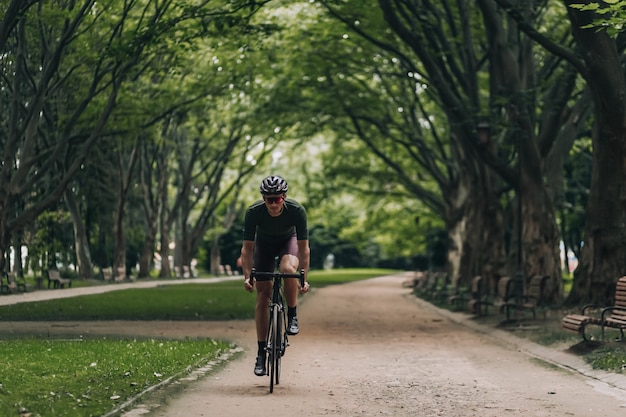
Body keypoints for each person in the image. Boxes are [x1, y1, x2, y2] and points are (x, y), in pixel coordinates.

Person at [241, 175, 310, 376]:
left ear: (284, 197)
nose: (273, 204)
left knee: (288, 269)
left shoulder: (296, 211)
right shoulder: (254, 212)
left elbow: (304, 249)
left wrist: (304, 278)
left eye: (277, 199)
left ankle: (293, 315)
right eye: (269, 199)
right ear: (263, 199)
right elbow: (247, 250)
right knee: (263, 295)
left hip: (289, 241)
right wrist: (247, 277)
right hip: (264, 245)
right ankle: (261, 353)